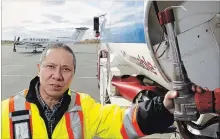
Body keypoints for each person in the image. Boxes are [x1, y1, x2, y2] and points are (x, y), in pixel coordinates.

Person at [1, 43, 197, 139]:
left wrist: (163, 106)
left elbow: (123, 121)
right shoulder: (6, 111)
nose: (57, 75)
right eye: (50, 67)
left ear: (73, 73)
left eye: (66, 69)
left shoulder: (84, 106)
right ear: (39, 69)